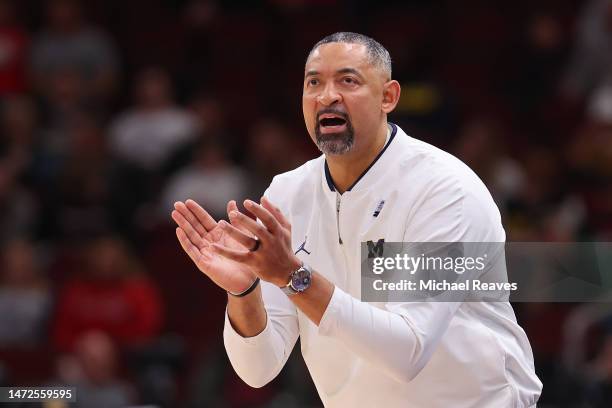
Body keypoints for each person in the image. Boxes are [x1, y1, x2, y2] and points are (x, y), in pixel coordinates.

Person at [172, 32, 542, 407]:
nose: (326, 95)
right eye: (313, 82)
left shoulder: (444, 190)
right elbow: (259, 370)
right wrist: (244, 291)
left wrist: (293, 277)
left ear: (388, 96)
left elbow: (408, 350)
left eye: (347, 81)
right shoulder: (287, 194)